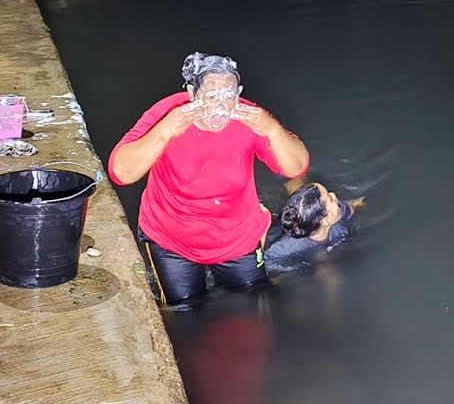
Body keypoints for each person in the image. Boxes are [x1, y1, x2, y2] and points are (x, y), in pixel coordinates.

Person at [109, 52, 310, 306]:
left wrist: (271, 128)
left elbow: (296, 167)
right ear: (192, 94)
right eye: (211, 96)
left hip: (236, 239)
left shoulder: (248, 116)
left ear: (238, 94)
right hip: (171, 240)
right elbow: (120, 173)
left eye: (228, 96)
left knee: (254, 308)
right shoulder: (168, 113)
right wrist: (165, 131)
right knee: (184, 313)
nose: (220, 107)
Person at [265, 180, 364, 271]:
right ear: (324, 221)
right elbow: (265, 264)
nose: (333, 195)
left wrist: (358, 203)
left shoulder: (340, 210)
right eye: (330, 199)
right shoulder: (284, 249)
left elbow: (351, 206)